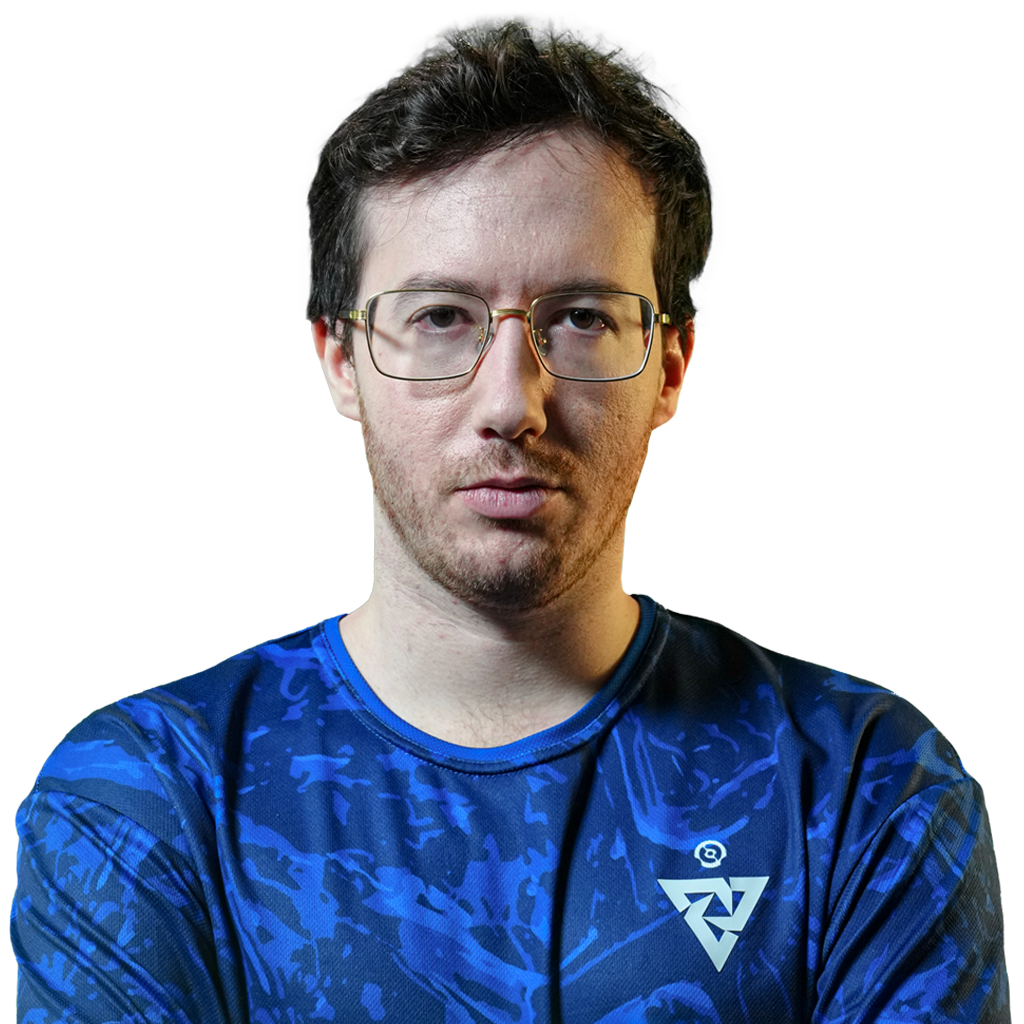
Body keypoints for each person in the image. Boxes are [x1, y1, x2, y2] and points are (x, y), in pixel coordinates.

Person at [10, 12, 1012, 1023]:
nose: (510, 402)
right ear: (341, 360)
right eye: (440, 317)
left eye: (580, 318)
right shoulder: (142, 803)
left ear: (669, 366)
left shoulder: (860, 789)